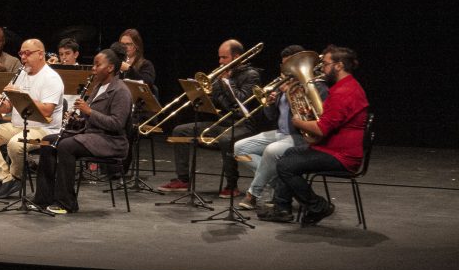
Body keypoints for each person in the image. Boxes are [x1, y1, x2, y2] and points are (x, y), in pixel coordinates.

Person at [260, 46, 368, 224]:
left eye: (325, 64)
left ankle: (318, 206)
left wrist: (299, 122)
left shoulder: (345, 92)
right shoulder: (345, 87)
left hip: (341, 155)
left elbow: (321, 129)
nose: (322, 69)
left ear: (339, 65)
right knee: (288, 155)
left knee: (286, 166)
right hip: (332, 147)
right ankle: (282, 208)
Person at [156, 39, 262, 197]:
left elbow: (240, 104)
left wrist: (225, 82)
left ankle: (232, 185)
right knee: (180, 130)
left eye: (224, 57)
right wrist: (203, 96)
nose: (220, 62)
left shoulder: (251, 75)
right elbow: (221, 105)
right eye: (219, 57)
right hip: (223, 122)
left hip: (243, 125)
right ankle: (183, 180)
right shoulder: (222, 76)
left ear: (237, 56)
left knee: (226, 139)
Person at [32, 49, 131, 214]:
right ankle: (43, 199)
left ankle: (66, 203)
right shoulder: (98, 86)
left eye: (97, 65)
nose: (93, 68)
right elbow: (88, 120)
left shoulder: (121, 91)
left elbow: (117, 124)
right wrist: (77, 119)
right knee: (48, 141)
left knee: (66, 146)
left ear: (110, 68)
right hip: (91, 135)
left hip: (111, 141)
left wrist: (89, 111)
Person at [234, 46, 329, 210]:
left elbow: (315, 119)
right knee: (240, 148)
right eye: (284, 66)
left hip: (301, 136)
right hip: (280, 133)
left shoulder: (317, 87)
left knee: (271, 151)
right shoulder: (283, 87)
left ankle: (252, 195)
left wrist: (291, 95)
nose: (286, 71)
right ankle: (280, 183)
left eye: (289, 67)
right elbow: (270, 116)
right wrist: (269, 103)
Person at [0, 39, 64, 199]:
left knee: (15, 144)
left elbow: (47, 111)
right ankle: (8, 179)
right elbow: (8, 107)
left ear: (41, 54)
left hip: (44, 129)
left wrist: (19, 95)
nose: (23, 57)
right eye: (21, 53)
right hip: (18, 125)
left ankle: (16, 176)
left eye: (27, 53)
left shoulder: (51, 78)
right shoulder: (21, 73)